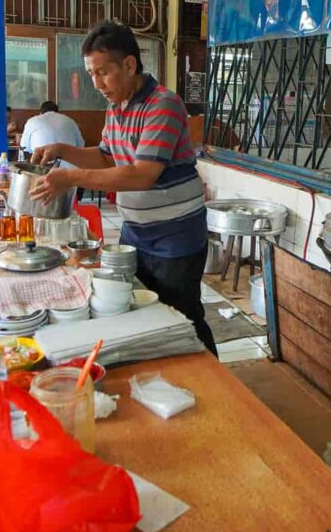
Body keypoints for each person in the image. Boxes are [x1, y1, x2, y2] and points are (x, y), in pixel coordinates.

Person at [30, 22, 216, 355]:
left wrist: (71, 178)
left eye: (103, 72)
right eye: (91, 74)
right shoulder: (117, 108)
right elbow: (106, 156)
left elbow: (142, 175)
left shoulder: (165, 105)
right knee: (139, 310)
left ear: (129, 65)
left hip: (175, 237)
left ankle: (219, 389)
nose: (96, 83)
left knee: (183, 318)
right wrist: (61, 150)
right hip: (136, 233)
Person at [19, 101, 84, 165]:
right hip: (70, 168)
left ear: (41, 113)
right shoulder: (70, 120)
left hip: (42, 167)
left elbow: (24, 146)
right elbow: (81, 145)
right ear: (57, 112)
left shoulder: (32, 121)